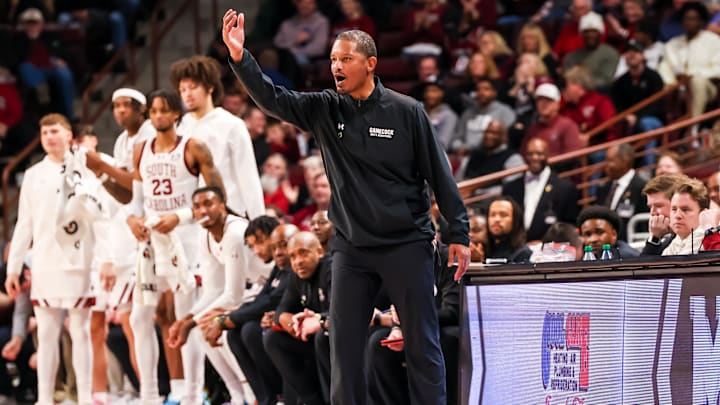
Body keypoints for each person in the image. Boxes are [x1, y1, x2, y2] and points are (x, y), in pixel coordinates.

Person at [222, 13, 470, 405]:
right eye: (333, 59)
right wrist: (241, 57)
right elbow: (273, 99)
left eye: (345, 59)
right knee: (344, 349)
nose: (336, 66)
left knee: (422, 344)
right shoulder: (325, 109)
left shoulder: (407, 112)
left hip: (407, 244)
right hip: (352, 248)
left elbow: (441, 175)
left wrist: (459, 233)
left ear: (370, 64)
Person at [5, 113, 115, 405]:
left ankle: (85, 395)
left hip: (80, 259)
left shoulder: (87, 169)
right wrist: (14, 267)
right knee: (47, 331)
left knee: (80, 331)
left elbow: (101, 218)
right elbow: (23, 224)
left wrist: (107, 259)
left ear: (68, 135)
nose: (49, 137)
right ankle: (44, 398)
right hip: (44, 262)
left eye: (54, 131)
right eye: (44, 133)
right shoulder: (33, 175)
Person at [125, 89, 225, 405]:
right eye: (153, 111)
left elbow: (217, 197)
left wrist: (179, 216)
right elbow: (136, 201)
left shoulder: (193, 147)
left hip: (187, 242)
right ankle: (150, 394)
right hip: (152, 243)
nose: (157, 116)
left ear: (176, 114)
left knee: (185, 317)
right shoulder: (141, 150)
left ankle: (194, 395)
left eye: (163, 111)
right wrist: (132, 220)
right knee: (139, 317)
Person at [166, 186, 250, 405]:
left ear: (222, 205)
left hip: (261, 292)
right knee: (204, 328)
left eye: (208, 204)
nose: (202, 210)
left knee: (217, 328)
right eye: (197, 206)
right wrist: (185, 320)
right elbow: (213, 289)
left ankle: (251, 395)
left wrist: (191, 322)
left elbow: (233, 295)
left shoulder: (235, 232)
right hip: (245, 296)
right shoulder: (205, 234)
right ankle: (237, 396)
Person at [202, 222, 295, 405]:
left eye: (260, 242)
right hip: (273, 318)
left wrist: (228, 319)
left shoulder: (293, 263)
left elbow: (271, 301)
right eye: (252, 246)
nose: (258, 250)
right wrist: (231, 315)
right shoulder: (279, 265)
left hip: (291, 325)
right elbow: (262, 298)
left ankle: (279, 396)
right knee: (235, 334)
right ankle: (264, 398)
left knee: (250, 331)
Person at [171, 55, 265, 220]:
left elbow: (248, 177)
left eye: (193, 87)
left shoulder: (232, 125)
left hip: (230, 213)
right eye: (183, 90)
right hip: (190, 217)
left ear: (210, 87)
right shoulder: (179, 127)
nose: (187, 94)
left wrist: (259, 220)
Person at [502, 137, 579, 241]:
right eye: (530, 154)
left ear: (547, 155)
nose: (534, 157)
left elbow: (570, 224)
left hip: (552, 249)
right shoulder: (511, 188)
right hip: (516, 248)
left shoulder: (565, 188)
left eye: (539, 154)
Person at [662, 178, 710, 255]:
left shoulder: (704, 237)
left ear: (703, 214)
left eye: (685, 210)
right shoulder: (678, 239)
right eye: (674, 209)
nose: (677, 215)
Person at [641, 173, 686, 255]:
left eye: (658, 206)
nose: (652, 213)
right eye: (650, 207)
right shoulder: (669, 240)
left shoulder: (696, 236)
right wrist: (655, 237)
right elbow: (645, 265)